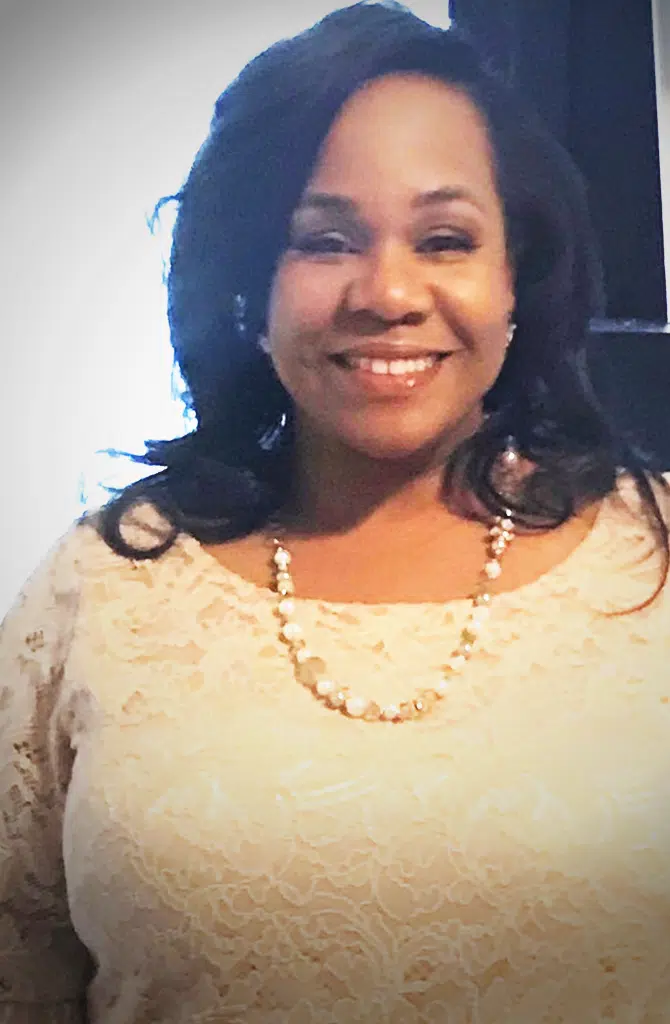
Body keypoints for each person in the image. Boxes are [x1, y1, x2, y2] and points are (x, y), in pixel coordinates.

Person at [1, 2, 669, 1021]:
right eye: (324, 241)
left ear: (517, 279)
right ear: (248, 289)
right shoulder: (104, 589)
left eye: (444, 239)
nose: (387, 293)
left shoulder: (651, 565)